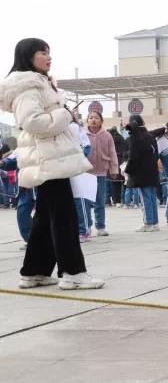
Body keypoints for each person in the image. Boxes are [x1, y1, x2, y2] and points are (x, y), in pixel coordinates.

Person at [0, 38, 104, 289]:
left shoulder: (37, 82)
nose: (48, 57)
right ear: (28, 56)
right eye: (43, 52)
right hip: (48, 158)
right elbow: (33, 122)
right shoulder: (27, 85)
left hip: (49, 157)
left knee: (47, 217)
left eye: (49, 53)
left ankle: (35, 271)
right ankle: (73, 273)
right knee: (64, 216)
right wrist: (65, 114)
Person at [124, 115, 161, 232]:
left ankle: (148, 223)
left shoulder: (135, 138)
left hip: (141, 172)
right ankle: (155, 223)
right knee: (152, 197)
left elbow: (133, 157)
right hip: (152, 171)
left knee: (145, 198)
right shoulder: (150, 136)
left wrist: (127, 170)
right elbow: (156, 154)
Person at [85, 110, 118, 236]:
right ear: (87, 120)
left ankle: (100, 226)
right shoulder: (82, 134)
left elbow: (112, 153)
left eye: (96, 118)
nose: (93, 120)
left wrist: (114, 169)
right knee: (86, 201)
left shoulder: (107, 135)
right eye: (91, 118)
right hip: (85, 173)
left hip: (101, 172)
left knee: (100, 200)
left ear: (101, 121)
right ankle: (87, 226)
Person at [0, 147, 34, 249]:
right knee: (22, 213)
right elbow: (11, 161)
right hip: (25, 186)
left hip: (44, 184)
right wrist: (2, 163)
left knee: (47, 215)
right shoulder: (21, 147)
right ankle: (31, 240)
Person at [69, 115, 95, 242]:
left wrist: (77, 160)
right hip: (62, 169)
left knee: (80, 199)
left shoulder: (73, 127)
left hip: (75, 168)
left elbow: (86, 146)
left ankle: (83, 230)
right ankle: (84, 227)